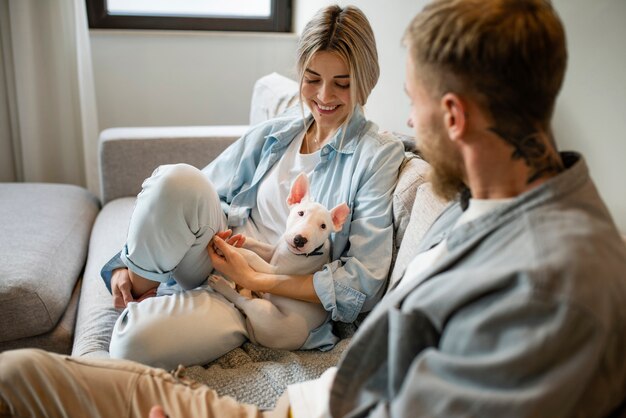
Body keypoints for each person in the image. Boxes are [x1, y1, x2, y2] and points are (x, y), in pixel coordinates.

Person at [1, 0, 626, 417]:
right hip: (300, 392)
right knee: (20, 374)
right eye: (314, 79)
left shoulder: (550, 285)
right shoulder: (497, 213)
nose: (409, 123)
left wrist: (262, 282)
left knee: (23, 380)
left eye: (414, 101)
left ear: (454, 115)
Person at [97, 4, 404, 369]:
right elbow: (197, 192)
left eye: (342, 83)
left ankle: (156, 296)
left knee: (130, 344)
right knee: (175, 179)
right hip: (218, 254)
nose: (324, 96)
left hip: (275, 300)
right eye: (312, 78)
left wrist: (255, 278)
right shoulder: (281, 129)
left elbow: (362, 283)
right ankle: (141, 282)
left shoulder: (377, 154)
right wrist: (124, 260)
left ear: (366, 80)